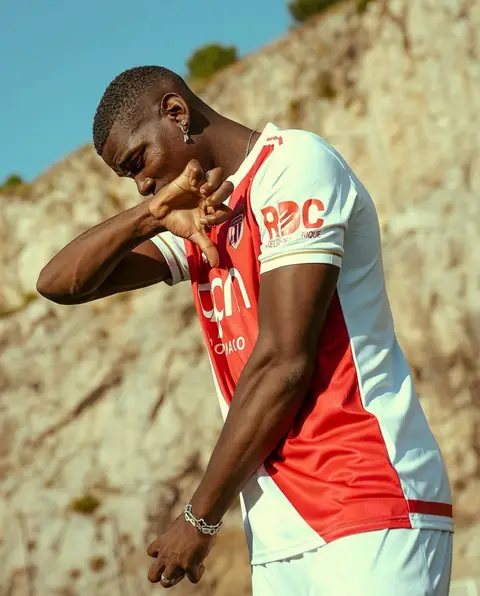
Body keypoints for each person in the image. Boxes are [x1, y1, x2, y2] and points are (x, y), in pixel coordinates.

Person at [37, 66, 454, 595]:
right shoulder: (201, 216)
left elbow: (284, 363)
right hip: (280, 536)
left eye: (138, 162)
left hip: (368, 504)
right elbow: (60, 284)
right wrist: (151, 214)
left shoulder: (295, 166)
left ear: (176, 113)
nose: (140, 184)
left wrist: (200, 517)